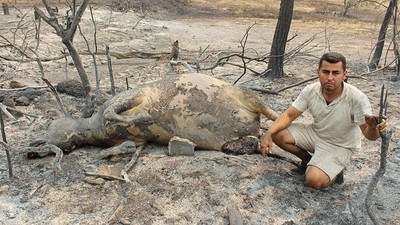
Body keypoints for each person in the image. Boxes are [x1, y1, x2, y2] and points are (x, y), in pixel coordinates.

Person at [260, 52, 387, 190]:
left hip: (340, 145)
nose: (330, 77)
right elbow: (289, 116)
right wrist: (268, 133)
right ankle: (308, 161)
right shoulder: (311, 90)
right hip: (316, 134)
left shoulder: (357, 98)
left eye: (335, 73)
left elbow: (370, 136)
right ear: (318, 72)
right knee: (278, 133)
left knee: (314, 180)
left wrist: (374, 128)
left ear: (344, 74)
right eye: (325, 72)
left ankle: (335, 171)